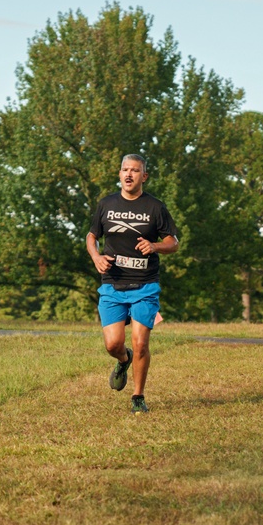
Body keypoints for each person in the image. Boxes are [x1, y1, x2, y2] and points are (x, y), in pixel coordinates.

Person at [86, 154, 179, 414]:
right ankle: (123, 359)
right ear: (119, 174)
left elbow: (174, 242)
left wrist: (155, 245)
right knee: (112, 345)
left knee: (141, 343)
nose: (129, 174)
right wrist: (96, 257)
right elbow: (91, 236)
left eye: (135, 171)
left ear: (144, 176)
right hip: (112, 285)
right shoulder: (106, 204)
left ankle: (138, 396)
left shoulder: (155, 207)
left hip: (145, 286)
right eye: (125, 170)